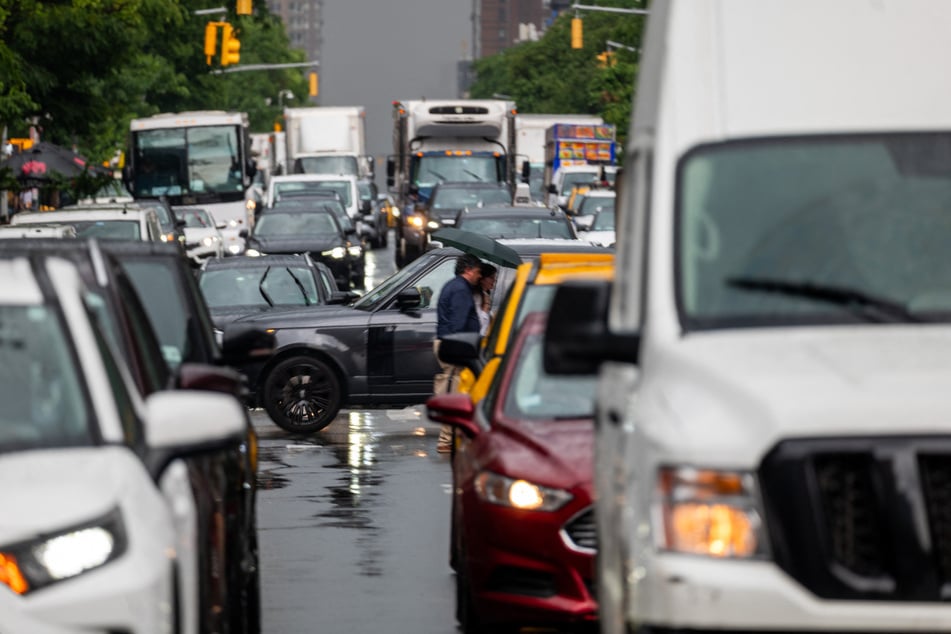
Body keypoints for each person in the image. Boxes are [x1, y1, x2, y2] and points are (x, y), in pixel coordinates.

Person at [434, 252, 483, 452]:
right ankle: (446, 440)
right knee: (453, 393)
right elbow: (458, 324)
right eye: (478, 272)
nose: (479, 276)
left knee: (455, 391)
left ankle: (451, 437)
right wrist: (461, 349)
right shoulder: (461, 290)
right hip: (453, 346)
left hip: (451, 345)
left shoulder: (454, 286)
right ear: (468, 270)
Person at [474, 262, 497, 337]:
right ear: (482, 279)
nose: (494, 280)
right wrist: (485, 308)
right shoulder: (476, 297)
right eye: (491, 277)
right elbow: (479, 323)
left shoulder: (485, 295)